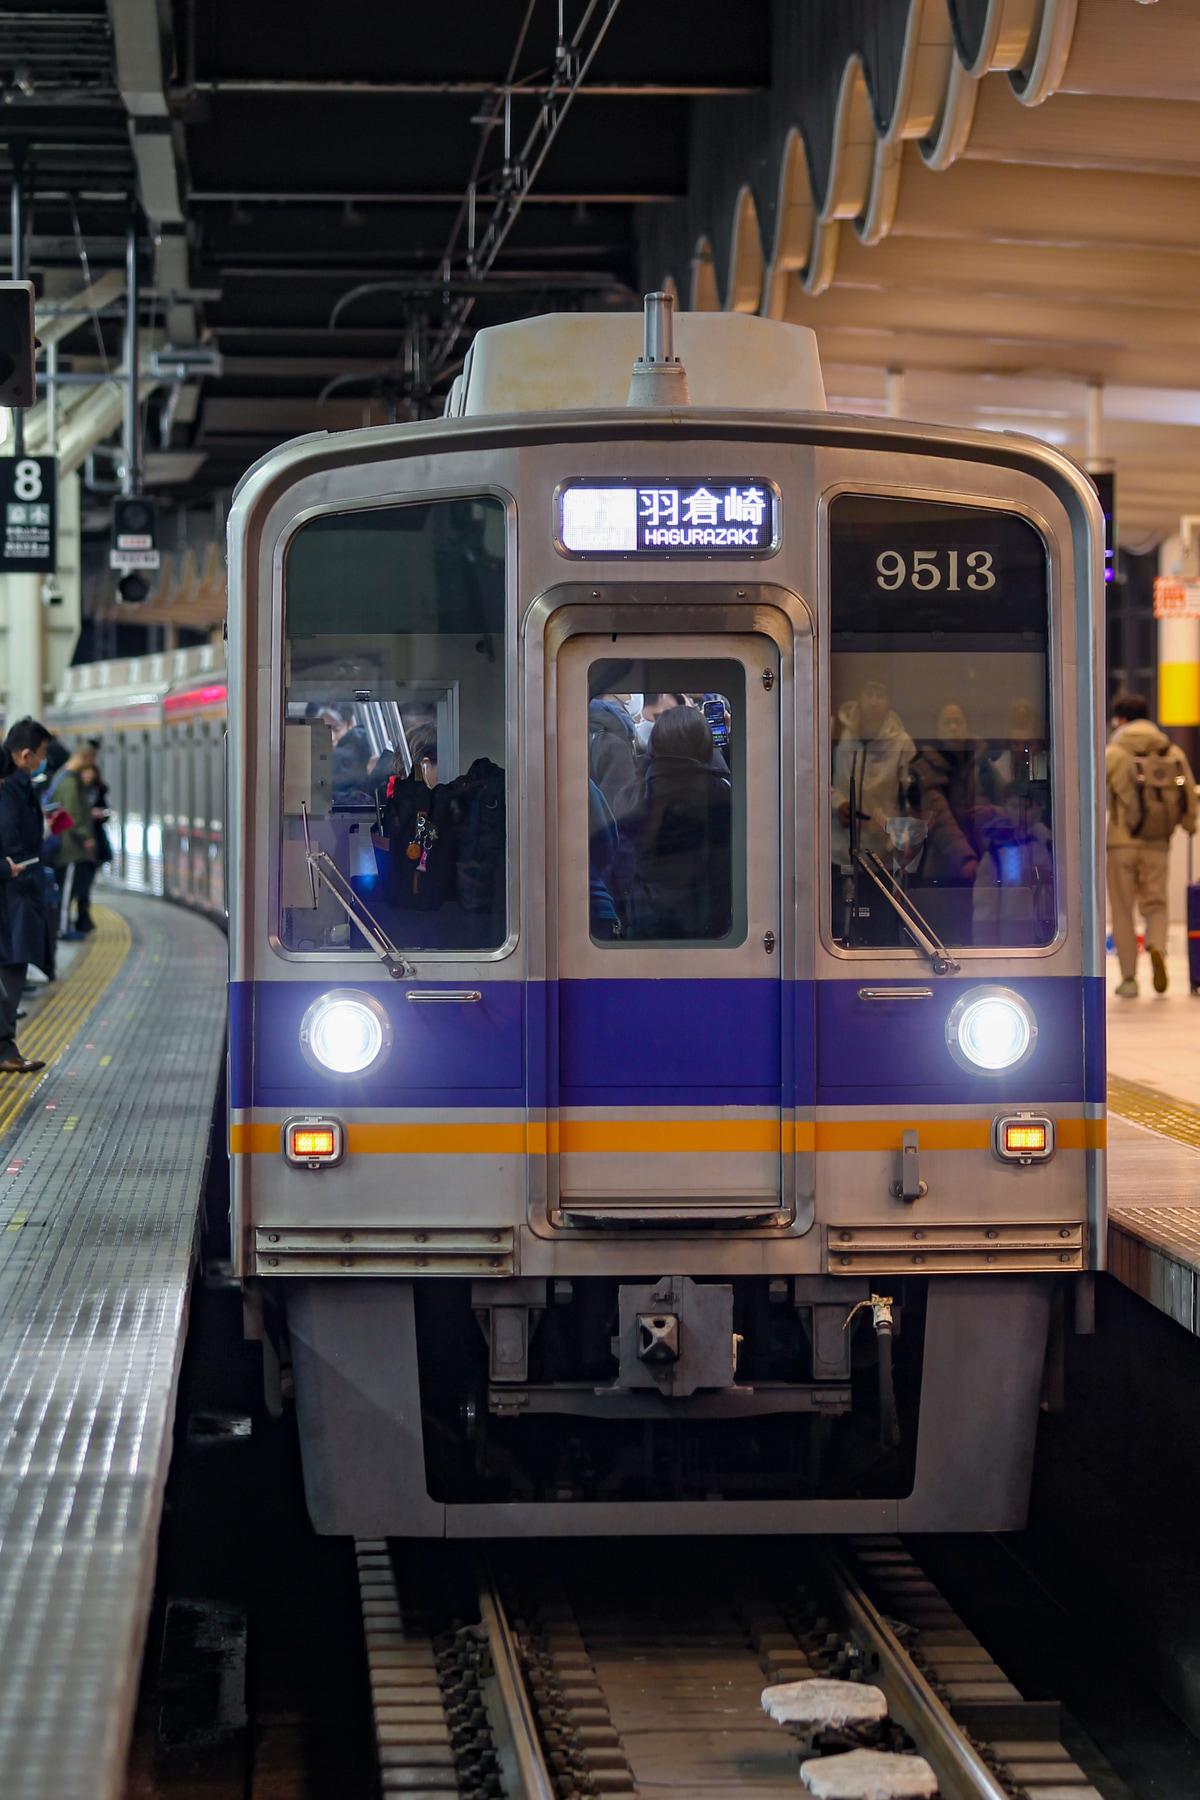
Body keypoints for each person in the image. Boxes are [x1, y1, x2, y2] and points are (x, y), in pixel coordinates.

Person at [1105, 691, 1197, 996]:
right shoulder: (1169, 750)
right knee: (1156, 904)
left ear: (1120, 719)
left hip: (1121, 842)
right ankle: (1157, 946)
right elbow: (1188, 794)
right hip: (1158, 841)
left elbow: (1096, 796)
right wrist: (1189, 825)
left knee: (1122, 909)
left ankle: (1129, 979)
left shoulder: (1114, 753)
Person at [620, 703, 732, 939]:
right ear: (706, 747)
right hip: (706, 924)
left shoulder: (637, 794)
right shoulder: (719, 794)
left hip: (645, 922)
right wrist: (713, 743)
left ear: (654, 745)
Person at [0, 718, 54, 1073]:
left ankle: (6, 1048)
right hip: (12, 896)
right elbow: (10, 841)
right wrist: (12, 868)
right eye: (41, 755)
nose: (42, 762)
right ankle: (5, 1050)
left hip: (17, 892)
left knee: (13, 970)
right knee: (11, 970)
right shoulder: (9, 789)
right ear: (24, 755)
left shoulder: (20, 788)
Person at [52, 742, 98, 939]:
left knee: (67, 889)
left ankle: (63, 926)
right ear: (85, 757)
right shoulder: (70, 782)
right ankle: (62, 928)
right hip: (70, 847)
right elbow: (71, 814)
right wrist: (85, 836)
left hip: (67, 844)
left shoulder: (63, 778)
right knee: (67, 890)